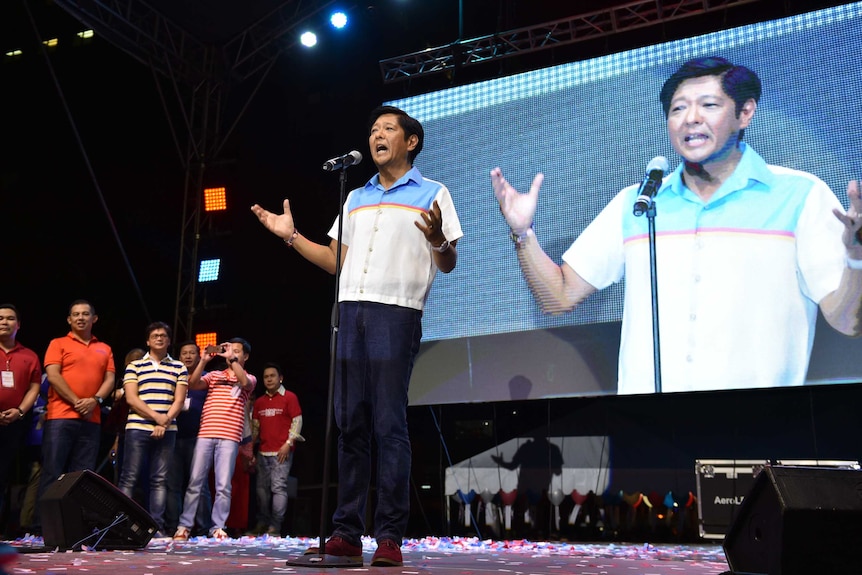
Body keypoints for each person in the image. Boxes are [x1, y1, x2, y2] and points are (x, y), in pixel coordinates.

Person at [491, 56, 862, 395]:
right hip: (647, 435)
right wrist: (522, 233)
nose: (690, 118)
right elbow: (558, 297)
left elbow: (849, 321)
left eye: (709, 106)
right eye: (678, 108)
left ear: (745, 113)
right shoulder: (638, 204)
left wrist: (857, 258)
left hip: (760, 427)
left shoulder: (799, 195)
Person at [251, 105, 463, 566]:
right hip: (348, 310)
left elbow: (447, 262)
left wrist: (439, 241)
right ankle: (346, 532)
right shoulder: (356, 196)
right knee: (350, 424)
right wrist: (290, 236)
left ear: (411, 142)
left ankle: (389, 536)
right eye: (372, 130)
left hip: (396, 312)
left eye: (388, 129)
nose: (376, 135)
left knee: (389, 424)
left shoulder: (434, 192)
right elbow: (335, 262)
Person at [37, 300, 115, 524]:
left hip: (91, 419)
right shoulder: (58, 343)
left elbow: (109, 379)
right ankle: (44, 527)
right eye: (75, 314)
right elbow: (53, 376)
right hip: (60, 417)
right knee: (53, 472)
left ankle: (74, 526)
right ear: (69, 320)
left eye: (85, 314)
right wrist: (77, 401)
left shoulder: (105, 348)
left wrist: (95, 400)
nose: (80, 317)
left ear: (94, 318)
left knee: (82, 476)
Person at [172, 338, 256, 541]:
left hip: (229, 437)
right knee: (195, 482)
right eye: (229, 351)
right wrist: (203, 361)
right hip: (205, 434)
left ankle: (217, 527)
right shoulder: (214, 375)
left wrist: (233, 360)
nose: (231, 354)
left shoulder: (250, 378)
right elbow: (192, 384)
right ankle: (184, 526)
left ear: (245, 356)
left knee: (223, 485)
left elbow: (244, 383)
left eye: (237, 352)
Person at [118, 322, 188, 536]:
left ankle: (155, 528)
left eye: (163, 335)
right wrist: (158, 418)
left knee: (159, 480)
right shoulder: (135, 366)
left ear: (168, 340)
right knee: (129, 477)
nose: (159, 338)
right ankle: (121, 526)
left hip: (167, 430)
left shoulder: (179, 367)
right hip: (138, 427)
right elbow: (131, 398)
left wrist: (164, 422)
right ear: (148, 341)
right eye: (155, 335)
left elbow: (179, 400)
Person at [0, 304, 41, 537]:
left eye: (10, 318)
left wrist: (20, 411)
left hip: (16, 424)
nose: (4, 322)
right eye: (0, 318)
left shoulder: (29, 355)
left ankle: (7, 529)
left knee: (10, 478)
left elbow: (35, 387)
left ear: (19, 324)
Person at [164, 340, 213, 536]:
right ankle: (173, 526)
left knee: (199, 484)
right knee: (172, 484)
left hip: (198, 438)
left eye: (192, 352)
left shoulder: (207, 379)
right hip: (173, 436)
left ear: (198, 355)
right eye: (184, 353)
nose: (188, 356)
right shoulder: (172, 376)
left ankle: (203, 528)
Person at [250, 362, 303, 537]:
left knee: (278, 488)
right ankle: (262, 523)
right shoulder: (259, 402)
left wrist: (288, 443)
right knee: (261, 490)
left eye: (272, 376)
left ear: (280, 378)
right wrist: (250, 449)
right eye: (266, 377)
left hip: (281, 452)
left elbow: (297, 421)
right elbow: (255, 428)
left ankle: (275, 527)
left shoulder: (290, 397)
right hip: (263, 452)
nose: (269, 379)